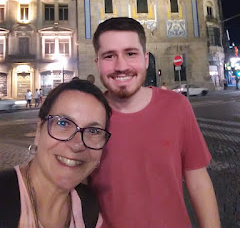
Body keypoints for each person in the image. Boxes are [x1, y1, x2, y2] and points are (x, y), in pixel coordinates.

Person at [90, 17, 221, 228]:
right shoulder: (87, 116)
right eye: (109, 56)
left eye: (130, 53)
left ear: (145, 59)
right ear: (97, 63)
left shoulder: (177, 106)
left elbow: (198, 181)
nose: (121, 66)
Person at [0, 79, 111, 228]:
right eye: (63, 123)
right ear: (39, 131)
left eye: (93, 131)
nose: (77, 144)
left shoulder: (89, 208)